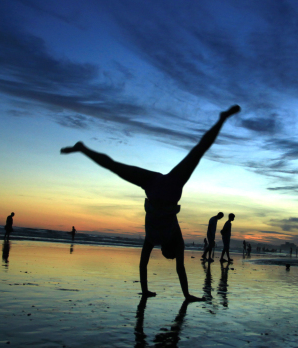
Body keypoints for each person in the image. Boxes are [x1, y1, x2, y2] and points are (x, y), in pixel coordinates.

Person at [61, 105, 240, 300]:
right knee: (115, 167)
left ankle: (222, 119)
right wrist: (152, 291)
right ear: (164, 249)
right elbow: (144, 265)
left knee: (198, 151)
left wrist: (185, 294)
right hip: (156, 188)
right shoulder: (152, 238)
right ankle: (83, 149)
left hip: (166, 187)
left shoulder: (173, 239)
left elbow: (178, 268)